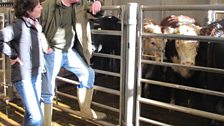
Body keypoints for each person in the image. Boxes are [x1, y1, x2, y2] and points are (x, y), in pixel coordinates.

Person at [39, 0, 102, 125]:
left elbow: (97, 13)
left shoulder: (81, 4)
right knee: (48, 89)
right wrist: (45, 45)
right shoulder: (47, 5)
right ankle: (45, 122)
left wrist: (98, 5)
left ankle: (86, 111)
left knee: (88, 74)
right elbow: (35, 26)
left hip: (69, 51)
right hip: (52, 52)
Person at [0, 0, 44, 125]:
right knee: (36, 117)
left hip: (36, 74)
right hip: (24, 77)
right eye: (38, 6)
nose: (41, 7)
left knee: (31, 113)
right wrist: (13, 55)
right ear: (28, 11)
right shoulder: (18, 26)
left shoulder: (35, 24)